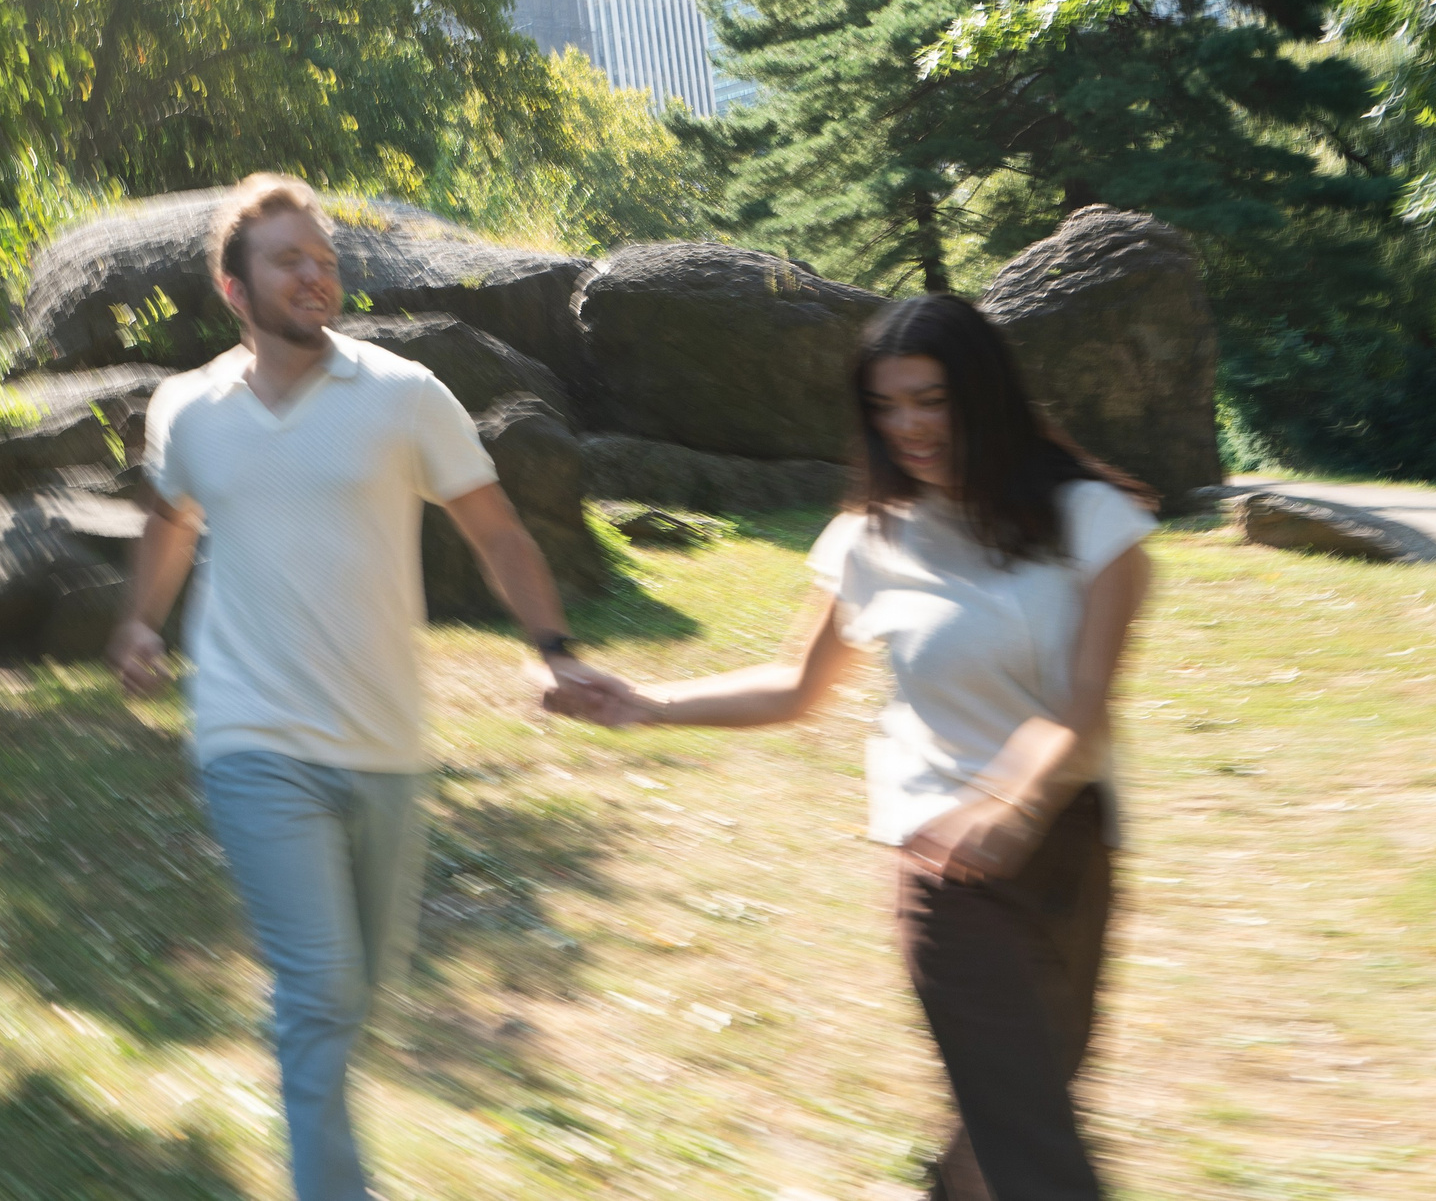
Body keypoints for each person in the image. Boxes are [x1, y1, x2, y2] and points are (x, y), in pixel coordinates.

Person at [547, 293, 1155, 1201]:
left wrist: (1016, 802)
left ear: (984, 394)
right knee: (1033, 1136)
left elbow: (1085, 706)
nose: (908, 425)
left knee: (1017, 1108)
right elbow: (796, 685)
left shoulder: (1092, 520)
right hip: (941, 853)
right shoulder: (871, 537)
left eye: (931, 399)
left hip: (1069, 840)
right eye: (886, 405)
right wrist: (645, 702)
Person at [107, 173, 616, 1201]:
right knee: (321, 983)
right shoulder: (188, 409)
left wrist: (552, 645)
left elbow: (496, 531)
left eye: (326, 259)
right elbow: (172, 523)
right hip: (249, 731)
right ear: (235, 288)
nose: (317, 276)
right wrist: (139, 622)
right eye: (289, 260)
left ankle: (322, 1136)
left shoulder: (403, 394)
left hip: (385, 740)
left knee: (360, 990)